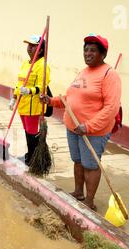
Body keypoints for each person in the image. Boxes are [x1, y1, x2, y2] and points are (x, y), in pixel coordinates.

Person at [42, 34, 121, 211]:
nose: (88, 54)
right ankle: (79, 192)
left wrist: (89, 126)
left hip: (92, 131)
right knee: (78, 161)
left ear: (103, 54)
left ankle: (89, 202)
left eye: (93, 50)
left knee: (91, 165)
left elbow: (111, 108)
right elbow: (70, 97)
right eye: (85, 50)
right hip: (73, 127)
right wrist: (51, 101)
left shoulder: (110, 75)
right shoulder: (83, 72)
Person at [8, 35, 50, 166]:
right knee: (27, 131)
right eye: (29, 45)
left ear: (41, 50)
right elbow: (20, 82)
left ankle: (33, 158)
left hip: (34, 105)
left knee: (31, 132)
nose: (30, 48)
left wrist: (29, 91)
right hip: (22, 103)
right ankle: (31, 155)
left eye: (33, 46)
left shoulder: (42, 65)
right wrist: (14, 98)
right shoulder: (26, 63)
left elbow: (42, 87)